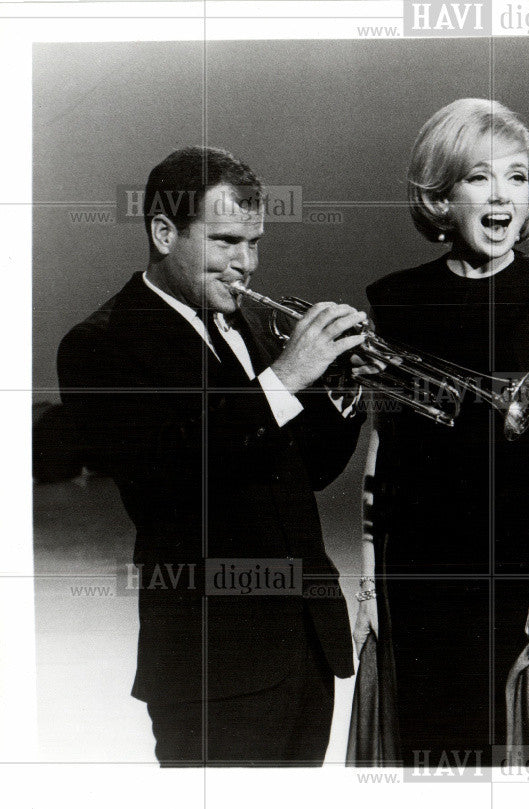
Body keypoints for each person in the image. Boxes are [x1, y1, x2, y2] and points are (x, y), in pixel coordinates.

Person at [57, 147, 369, 766]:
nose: (245, 266)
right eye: (226, 241)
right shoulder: (103, 344)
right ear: (164, 232)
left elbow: (299, 471)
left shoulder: (229, 323)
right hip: (211, 665)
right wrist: (283, 379)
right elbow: (169, 482)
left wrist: (344, 392)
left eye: (254, 244)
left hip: (304, 648)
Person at [351, 98, 529, 768]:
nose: (502, 196)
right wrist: (371, 580)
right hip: (417, 560)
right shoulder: (394, 299)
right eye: (478, 177)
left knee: (520, 742)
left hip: (523, 549)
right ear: (438, 198)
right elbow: (384, 448)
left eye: (517, 177)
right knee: (424, 744)